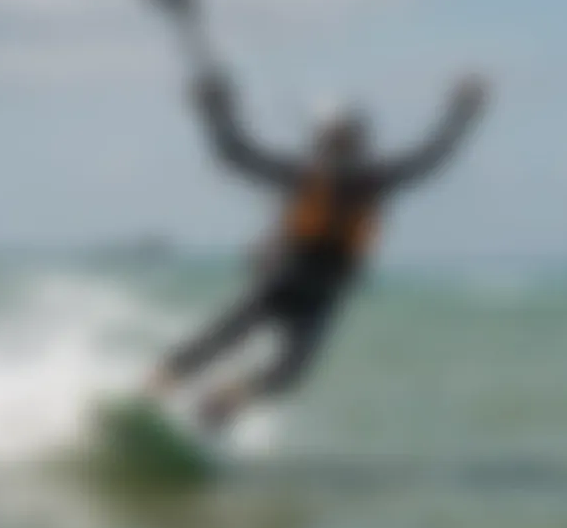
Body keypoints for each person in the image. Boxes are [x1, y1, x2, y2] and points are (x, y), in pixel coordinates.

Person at [147, 69, 489, 427]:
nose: (342, 146)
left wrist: (461, 113)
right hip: (283, 279)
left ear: (359, 141)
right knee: (224, 336)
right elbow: (235, 154)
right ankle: (154, 389)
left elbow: (430, 158)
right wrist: (215, 109)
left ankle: (217, 408)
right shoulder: (305, 176)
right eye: (335, 138)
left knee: (288, 374)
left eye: (348, 138)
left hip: (324, 295)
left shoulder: (374, 180)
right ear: (322, 139)